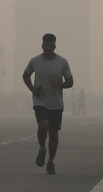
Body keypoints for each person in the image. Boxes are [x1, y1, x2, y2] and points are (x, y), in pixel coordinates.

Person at [22, 33, 74, 175]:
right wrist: (32, 89)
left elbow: (70, 81)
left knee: (53, 135)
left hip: (56, 103)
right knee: (43, 125)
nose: (48, 48)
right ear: (42, 45)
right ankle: (42, 148)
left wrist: (59, 84)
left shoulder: (63, 62)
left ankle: (51, 162)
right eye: (46, 45)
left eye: (51, 46)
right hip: (40, 100)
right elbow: (25, 75)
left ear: (55, 46)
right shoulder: (35, 61)